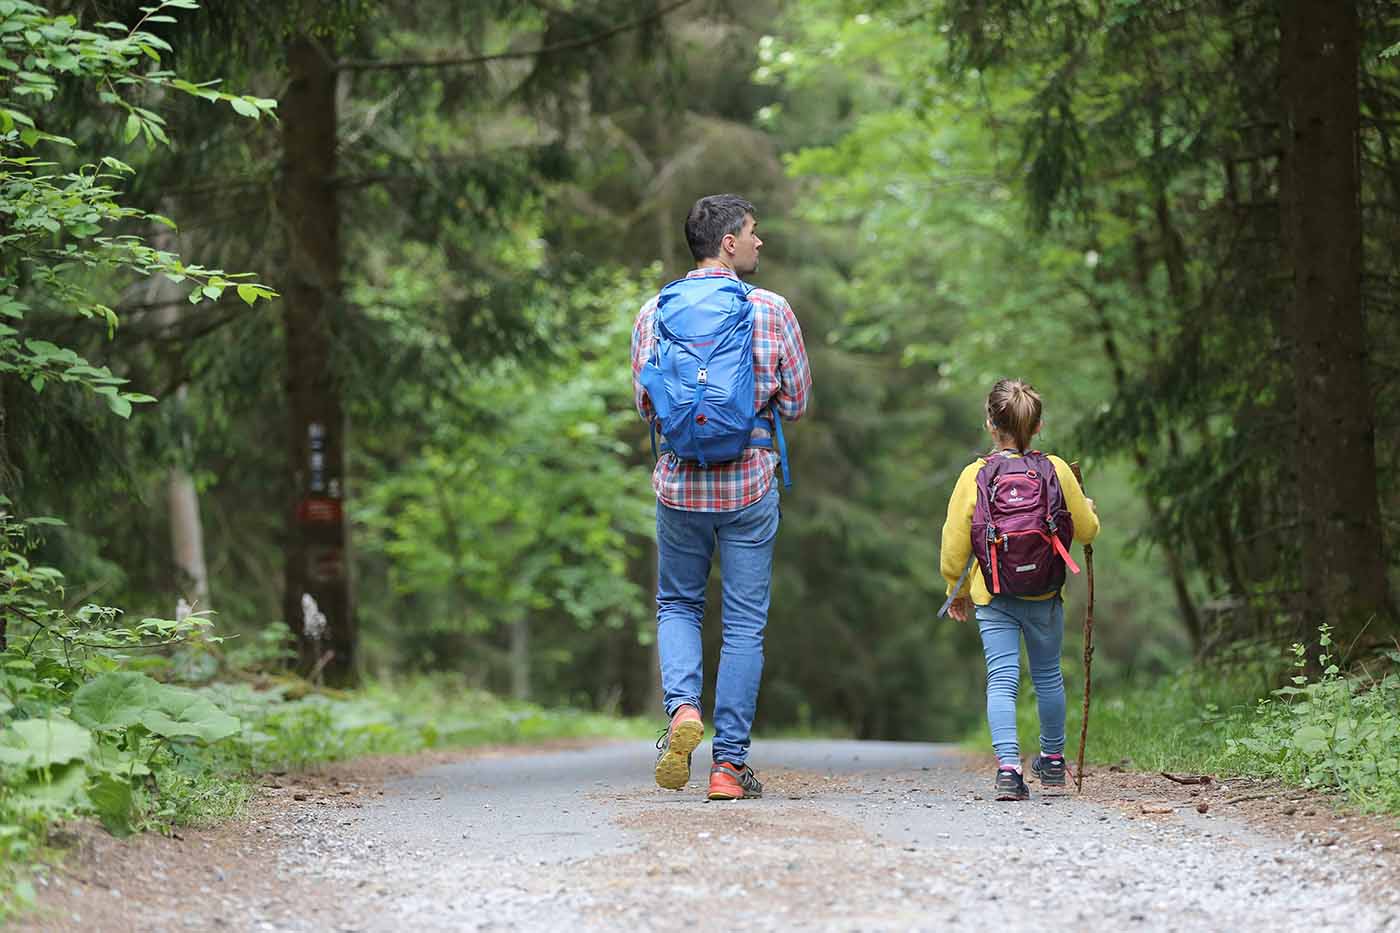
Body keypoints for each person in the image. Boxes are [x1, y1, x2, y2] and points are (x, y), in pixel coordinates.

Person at [630, 194, 812, 800]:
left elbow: (646, 404)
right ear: (728, 243)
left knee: (678, 604)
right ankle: (728, 767)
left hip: (680, 484)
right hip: (749, 484)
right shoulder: (771, 309)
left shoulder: (654, 311)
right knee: (743, 625)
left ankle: (683, 709)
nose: (760, 242)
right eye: (753, 232)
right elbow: (797, 402)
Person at [940, 379, 1099, 801]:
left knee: (1002, 679)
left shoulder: (975, 475)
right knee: (1048, 676)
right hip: (1044, 594)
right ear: (1038, 426)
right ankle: (1053, 761)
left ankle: (1009, 770)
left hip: (994, 595)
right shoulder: (1056, 470)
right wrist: (1088, 510)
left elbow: (954, 544)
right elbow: (1086, 530)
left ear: (990, 426)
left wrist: (956, 589)